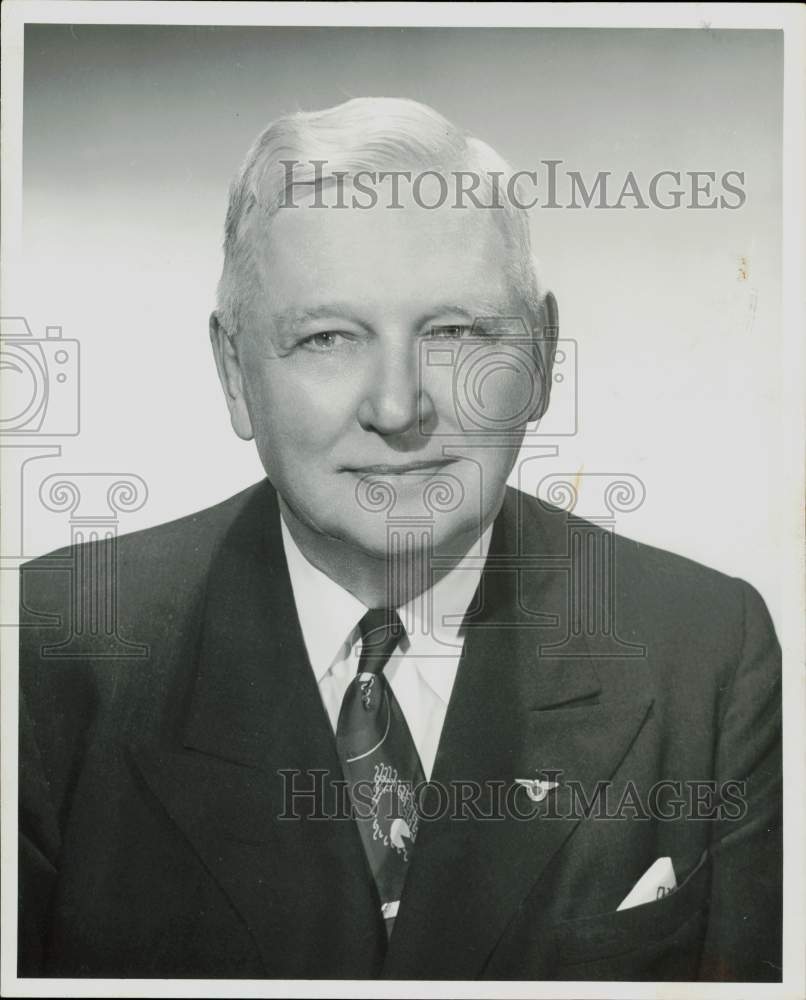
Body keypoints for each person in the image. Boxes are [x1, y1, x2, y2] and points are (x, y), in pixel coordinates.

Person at [18, 98, 782, 982]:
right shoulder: (51, 648)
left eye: (455, 333)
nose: (397, 408)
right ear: (234, 373)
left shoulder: (707, 654)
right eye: (328, 337)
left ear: (540, 354)